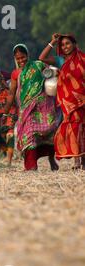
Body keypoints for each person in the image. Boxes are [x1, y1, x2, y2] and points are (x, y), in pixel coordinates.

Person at [5, 44, 61, 171]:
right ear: (15, 58)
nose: (21, 60)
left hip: (44, 106)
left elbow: (51, 74)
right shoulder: (15, 74)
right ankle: (31, 166)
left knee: (49, 133)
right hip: (27, 109)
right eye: (18, 58)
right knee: (29, 133)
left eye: (23, 57)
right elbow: (11, 93)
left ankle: (51, 158)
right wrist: (5, 111)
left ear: (27, 55)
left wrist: (54, 74)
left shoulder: (38, 65)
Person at [39, 33, 85, 170]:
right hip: (68, 103)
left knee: (83, 129)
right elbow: (41, 58)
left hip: (82, 99)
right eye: (63, 44)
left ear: (74, 44)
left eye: (68, 43)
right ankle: (77, 161)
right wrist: (52, 41)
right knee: (74, 128)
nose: (65, 47)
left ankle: (83, 161)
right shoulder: (60, 61)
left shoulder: (82, 59)